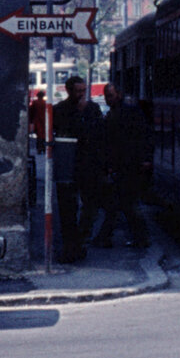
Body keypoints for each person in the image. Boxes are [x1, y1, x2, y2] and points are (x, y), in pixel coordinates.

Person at [92, 82, 153, 249]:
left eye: (110, 95)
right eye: (106, 96)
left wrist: (144, 158)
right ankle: (112, 236)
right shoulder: (116, 112)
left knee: (125, 204)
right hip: (123, 165)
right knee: (122, 204)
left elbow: (141, 136)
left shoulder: (127, 112)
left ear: (118, 94)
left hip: (129, 165)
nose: (107, 99)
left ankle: (114, 237)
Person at [51, 75, 103, 263]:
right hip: (69, 166)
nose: (81, 95)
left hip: (89, 166)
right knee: (67, 209)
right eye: (78, 91)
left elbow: (98, 133)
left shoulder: (93, 109)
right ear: (69, 90)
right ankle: (70, 246)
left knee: (91, 207)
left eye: (83, 91)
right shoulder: (60, 110)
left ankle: (80, 240)